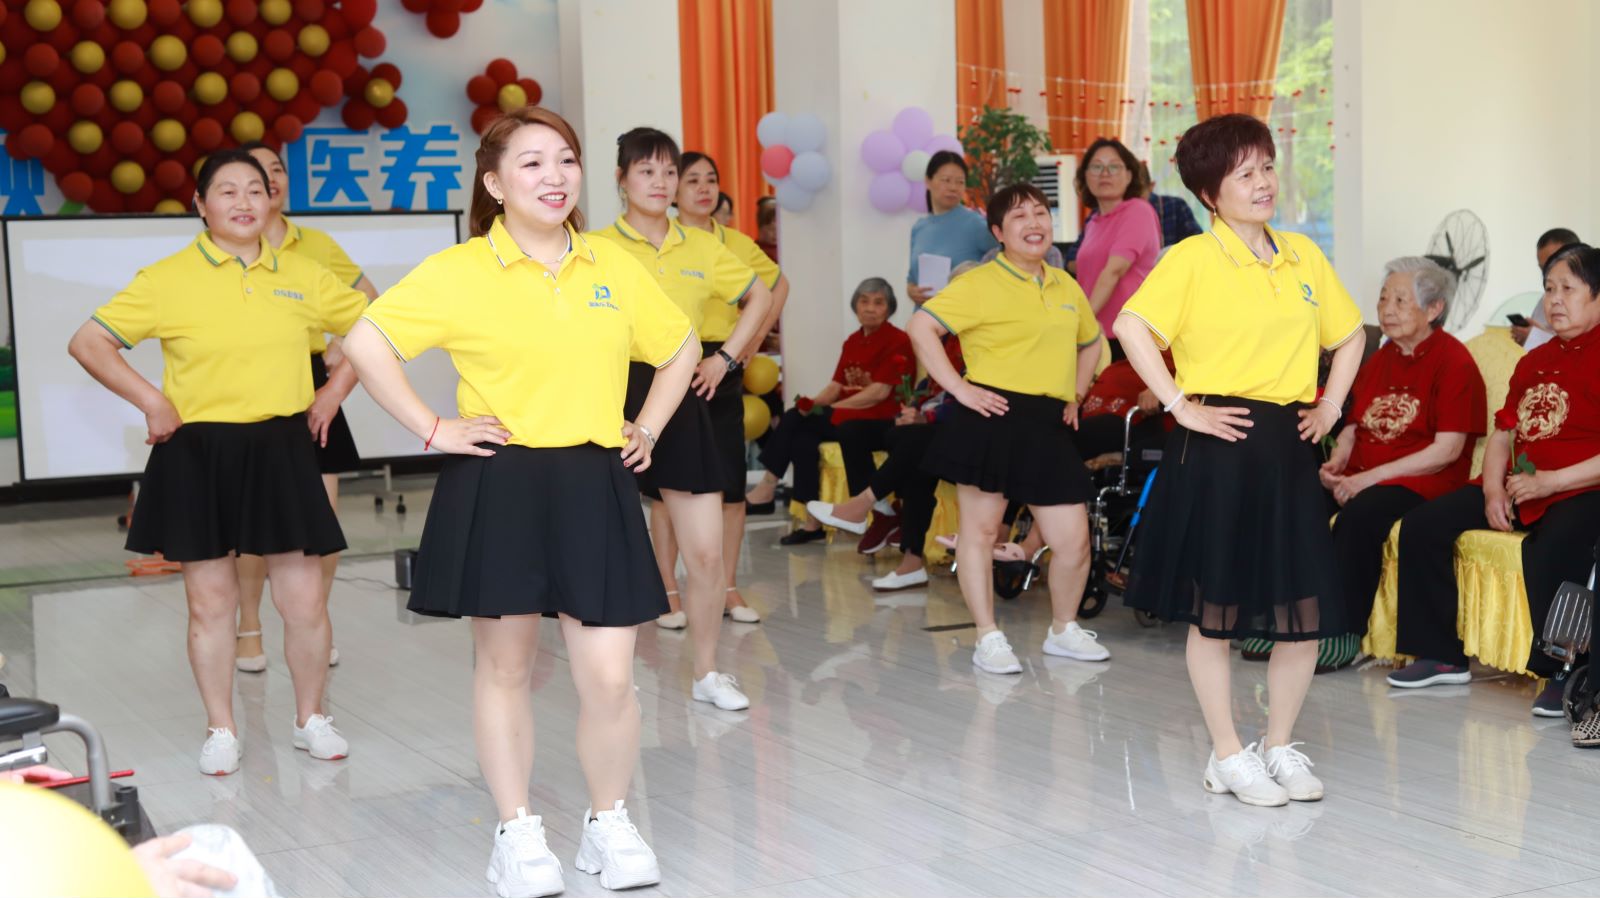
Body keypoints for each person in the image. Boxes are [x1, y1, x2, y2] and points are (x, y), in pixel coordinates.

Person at [343, 107, 694, 895]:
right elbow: (366, 343)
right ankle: (517, 831)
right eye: (532, 163)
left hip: (594, 480)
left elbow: (679, 349)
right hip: (500, 478)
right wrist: (433, 427)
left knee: (611, 676)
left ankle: (608, 822)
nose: (554, 176)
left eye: (565, 159)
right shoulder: (461, 269)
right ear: (496, 184)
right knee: (505, 669)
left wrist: (647, 425)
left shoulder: (610, 264)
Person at [67, 149, 365, 776]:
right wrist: (152, 401)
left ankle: (311, 718)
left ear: (271, 200)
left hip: (282, 448)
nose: (243, 202)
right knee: (210, 604)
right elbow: (89, 342)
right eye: (226, 192)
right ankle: (221, 728)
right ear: (200, 205)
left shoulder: (304, 274)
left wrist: (333, 393)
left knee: (304, 600)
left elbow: (377, 330)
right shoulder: (166, 278)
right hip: (198, 451)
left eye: (255, 190)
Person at [1113, 113, 1366, 808]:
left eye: (1267, 167)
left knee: (1302, 608)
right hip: (1217, 448)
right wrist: (1179, 405)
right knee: (1215, 612)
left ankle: (1279, 744)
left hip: (1288, 446)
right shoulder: (1192, 258)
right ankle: (1228, 754)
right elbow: (1131, 326)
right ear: (1210, 193)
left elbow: (1348, 337)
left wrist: (1331, 406)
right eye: (1245, 173)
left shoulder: (1302, 255)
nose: (1263, 183)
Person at [590, 127, 775, 712]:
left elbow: (761, 295)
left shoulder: (701, 246)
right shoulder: (592, 246)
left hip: (682, 393)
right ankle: (612, 678)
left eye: (669, 171)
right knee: (607, 546)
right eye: (647, 171)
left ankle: (707, 672)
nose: (661, 182)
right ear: (621, 180)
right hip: (610, 397)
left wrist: (727, 358)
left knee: (706, 553)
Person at [1388, 244, 1600, 718]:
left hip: (1582, 487)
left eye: (1568, 289)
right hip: (1522, 484)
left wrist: (1552, 481)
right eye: (1549, 289)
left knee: (1555, 543)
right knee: (1423, 525)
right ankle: (1440, 655)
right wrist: (1491, 489)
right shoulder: (1534, 360)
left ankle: (1562, 671)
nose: (1554, 300)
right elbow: (1503, 433)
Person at [910, 183, 1110, 674]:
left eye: (1040, 213)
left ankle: (1063, 629)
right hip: (990, 416)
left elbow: (1091, 341)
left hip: (1049, 422)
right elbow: (921, 327)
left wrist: (1076, 393)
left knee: (1073, 540)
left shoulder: (1065, 285)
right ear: (999, 232)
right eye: (1019, 216)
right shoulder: (979, 283)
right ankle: (988, 636)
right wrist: (959, 389)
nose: (1034, 223)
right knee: (980, 533)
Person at [232, 141, 380, 676]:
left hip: (312, 383)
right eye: (256, 172)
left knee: (322, 518)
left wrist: (340, 350)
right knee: (253, 520)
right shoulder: (224, 249)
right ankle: (249, 626)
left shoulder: (315, 244)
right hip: (247, 385)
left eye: (276, 169)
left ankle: (315, 619)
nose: (269, 179)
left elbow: (371, 303)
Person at [1311, 258, 1484, 666]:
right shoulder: (1380, 358)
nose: (1387, 309)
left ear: (1434, 308)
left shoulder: (1454, 362)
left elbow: (1446, 451)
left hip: (1421, 482)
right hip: (1365, 474)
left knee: (1361, 515)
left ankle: (1343, 633)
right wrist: (1338, 461)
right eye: (1383, 298)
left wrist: (1366, 479)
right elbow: (1355, 425)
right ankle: (1293, 621)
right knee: (1300, 502)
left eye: (1401, 300)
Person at [651, 150, 789, 627]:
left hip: (722, 364)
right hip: (674, 364)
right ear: (674, 189)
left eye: (711, 179)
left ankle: (727, 587)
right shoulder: (665, 239)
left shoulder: (735, 242)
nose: (704, 188)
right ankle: (668, 591)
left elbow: (776, 286)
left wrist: (748, 343)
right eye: (692, 180)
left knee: (730, 487)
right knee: (669, 488)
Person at [805, 262, 977, 590]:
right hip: (938, 424)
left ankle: (865, 508)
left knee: (916, 442)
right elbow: (932, 385)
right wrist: (915, 407)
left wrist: (927, 416)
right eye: (955, 289)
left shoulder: (985, 336)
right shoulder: (949, 336)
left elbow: (974, 391)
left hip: (975, 427)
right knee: (892, 439)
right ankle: (894, 534)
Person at [744, 279, 913, 542]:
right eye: (864, 301)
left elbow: (879, 393)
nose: (870, 308)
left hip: (876, 417)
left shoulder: (897, 340)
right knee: (802, 437)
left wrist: (830, 408)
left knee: (794, 418)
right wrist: (813, 403)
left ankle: (768, 485)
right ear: (855, 306)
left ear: (889, 308)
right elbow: (835, 386)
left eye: (878, 303)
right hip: (844, 415)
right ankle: (812, 524)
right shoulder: (852, 341)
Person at [1072, 139, 1162, 340]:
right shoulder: (1093, 222)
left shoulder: (1138, 211)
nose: (1105, 173)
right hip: (1097, 334)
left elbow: (1114, 270)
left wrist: (1082, 322)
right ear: (1085, 175)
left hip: (1130, 336)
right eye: (1096, 166)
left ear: (1129, 175)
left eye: (1114, 166)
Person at [906, 151, 997, 304]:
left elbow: (1005, 260)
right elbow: (912, 278)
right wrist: (911, 290)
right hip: (925, 314)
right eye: (946, 180)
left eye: (960, 182)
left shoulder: (975, 223)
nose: (953, 187)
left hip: (961, 314)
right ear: (928, 181)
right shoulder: (919, 227)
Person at [1513, 228, 1581, 346]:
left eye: (1552, 265)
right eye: (1542, 268)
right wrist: (1529, 336)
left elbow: (1579, 347)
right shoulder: (1544, 299)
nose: (1547, 274)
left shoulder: (1590, 299)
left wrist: (1537, 337)